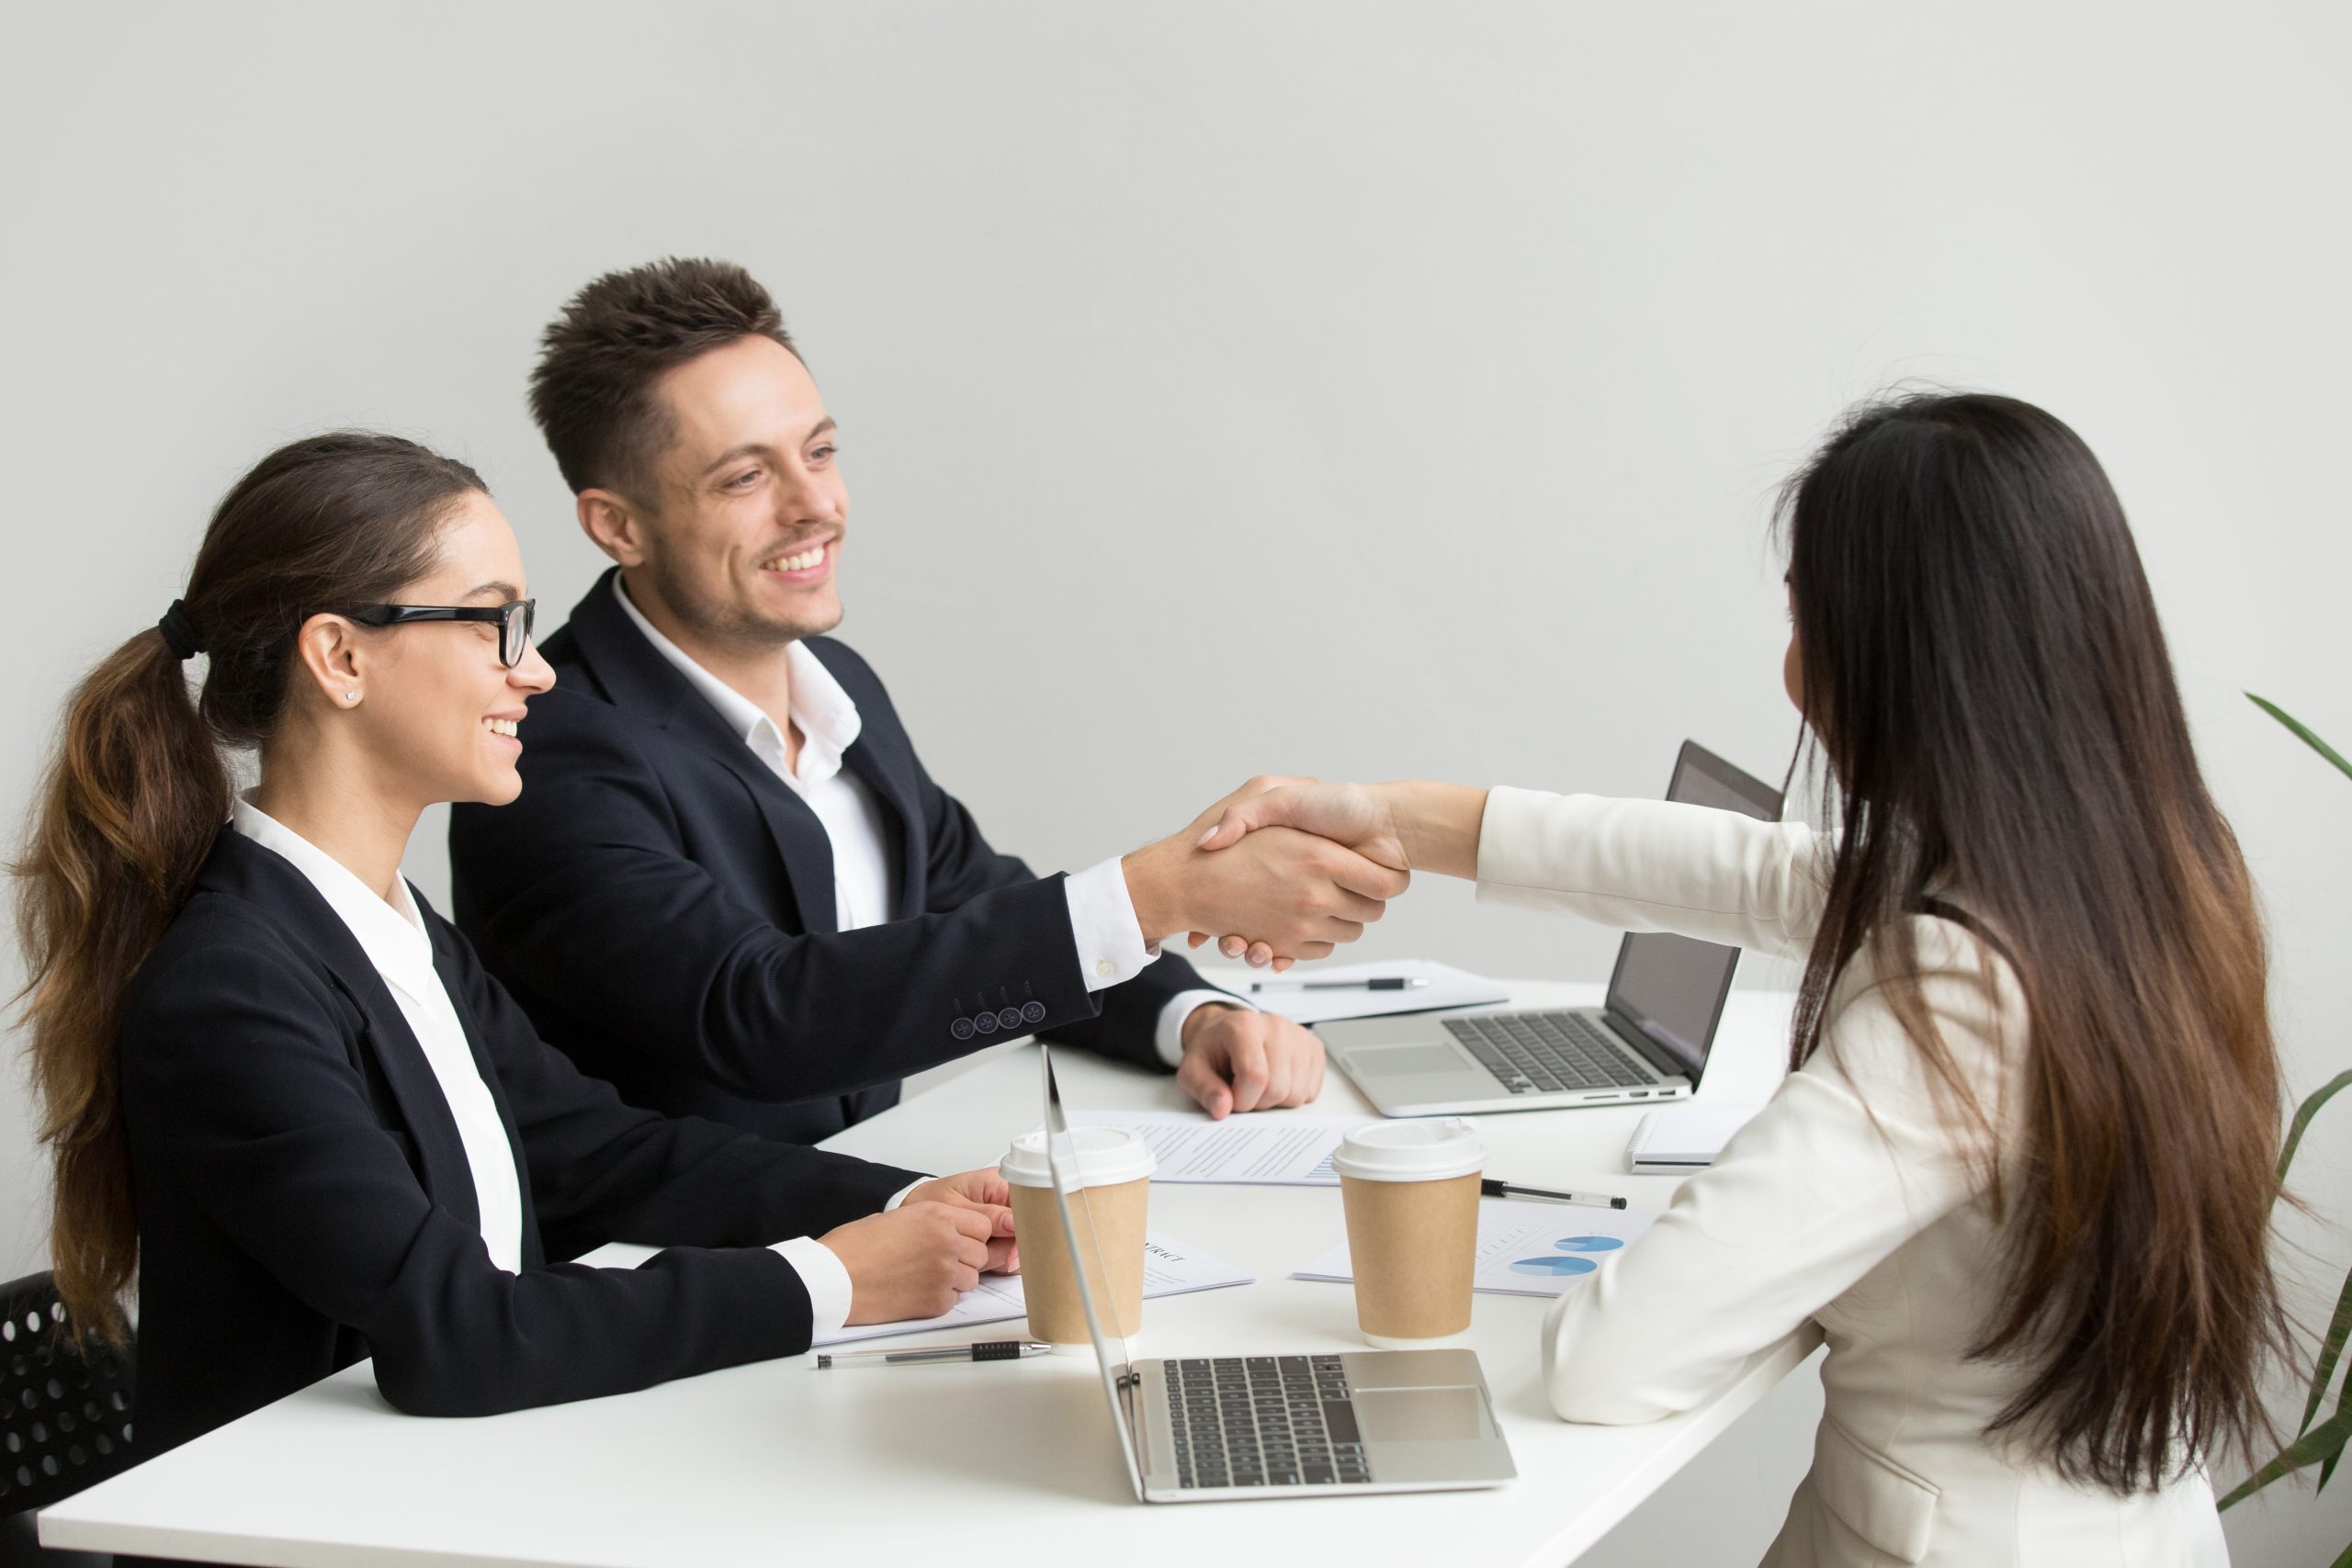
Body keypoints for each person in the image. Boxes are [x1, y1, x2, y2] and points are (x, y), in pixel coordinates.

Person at [1193, 393, 2279, 1565]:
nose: (1793, 668)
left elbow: (1612, 1359)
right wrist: (1390, 817)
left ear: (1907, 655)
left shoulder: (1965, 986)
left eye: (1809, 618)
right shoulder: (2149, 865)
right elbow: (1743, 868)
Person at [15, 433, 1028, 1460]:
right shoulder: (231, 987)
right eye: (494, 623)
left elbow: (603, 1157)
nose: (535, 672)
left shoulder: (391, 928)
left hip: (463, 1482)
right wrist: (838, 1279)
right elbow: (461, 1331)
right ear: (341, 657)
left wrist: (904, 1202)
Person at [447, 258, 1400, 1141]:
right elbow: (762, 1015)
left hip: (868, 1247)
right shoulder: (551, 749)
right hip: (671, 1284)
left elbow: (974, 903)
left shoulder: (837, 687)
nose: (813, 505)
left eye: (818, 453)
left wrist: (1185, 1015)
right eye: (745, 477)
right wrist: (1157, 892)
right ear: (617, 525)